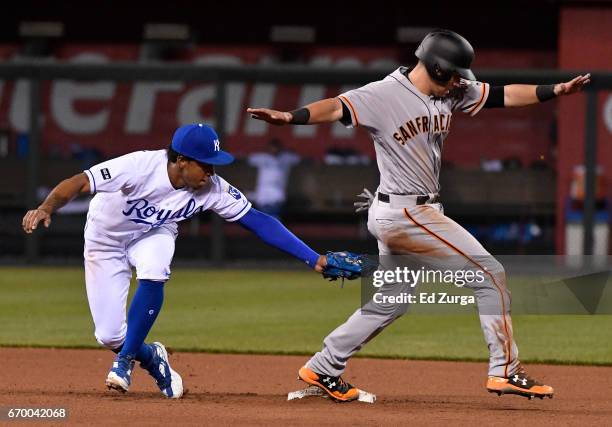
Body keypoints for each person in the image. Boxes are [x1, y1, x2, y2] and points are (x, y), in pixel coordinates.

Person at [247, 29, 590, 402]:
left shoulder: (451, 91)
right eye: (456, 74)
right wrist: (290, 117)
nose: (461, 82)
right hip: (406, 213)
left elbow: (502, 94)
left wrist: (555, 91)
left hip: (406, 210)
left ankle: (324, 367)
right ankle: (505, 370)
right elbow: (334, 107)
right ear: (438, 68)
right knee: (490, 275)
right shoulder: (383, 94)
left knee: (393, 299)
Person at [22, 123, 362, 399]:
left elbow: (259, 221)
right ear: (181, 160)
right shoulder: (139, 166)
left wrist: (312, 258)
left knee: (154, 267)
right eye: (204, 163)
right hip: (104, 242)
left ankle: (124, 362)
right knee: (109, 335)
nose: (210, 172)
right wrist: (46, 208)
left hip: (153, 234)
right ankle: (151, 357)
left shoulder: (211, 187)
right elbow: (80, 181)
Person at [248, 138, 300, 218]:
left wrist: (288, 151)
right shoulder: (263, 157)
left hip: (277, 196)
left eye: (276, 147)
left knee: (274, 221)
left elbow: (297, 159)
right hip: (263, 196)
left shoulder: (286, 158)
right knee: (264, 221)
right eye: (272, 147)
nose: (274, 150)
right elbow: (250, 159)